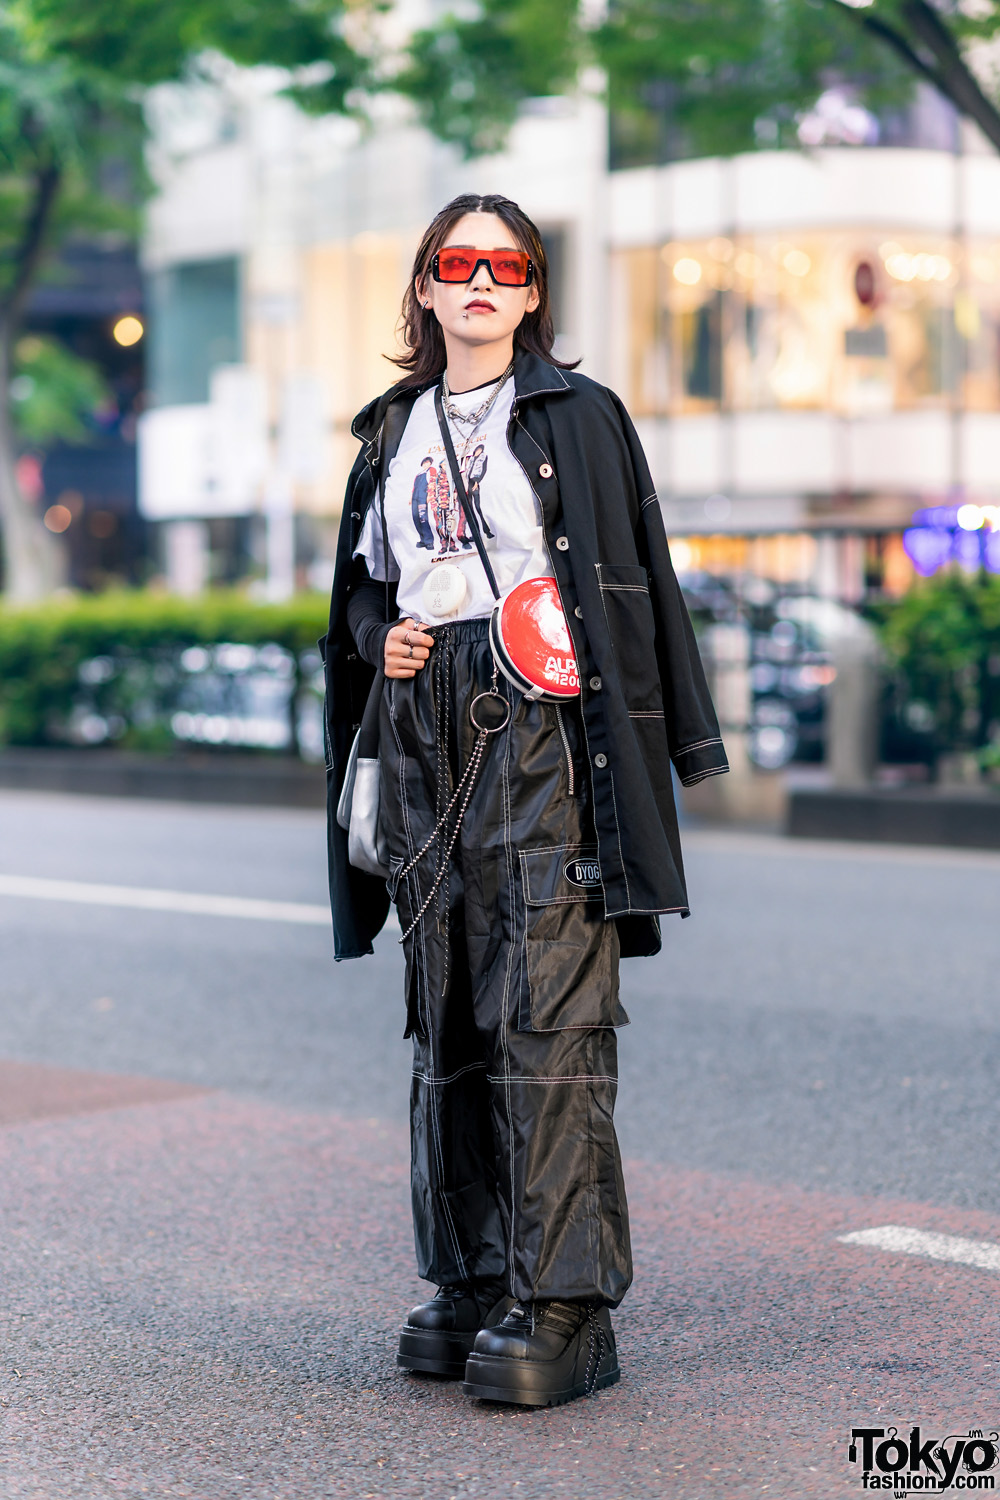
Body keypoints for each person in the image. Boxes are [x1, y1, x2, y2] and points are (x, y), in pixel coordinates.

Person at [322, 192, 728, 1409]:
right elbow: (360, 587)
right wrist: (382, 633)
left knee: (543, 1003)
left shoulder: (580, 416)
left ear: (534, 291)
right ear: (429, 290)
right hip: (425, 716)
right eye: (460, 262)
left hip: (543, 717)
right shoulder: (388, 429)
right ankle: (471, 1281)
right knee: (444, 1000)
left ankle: (566, 1304)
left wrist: (682, 748)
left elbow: (636, 578)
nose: (483, 280)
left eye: (507, 264)